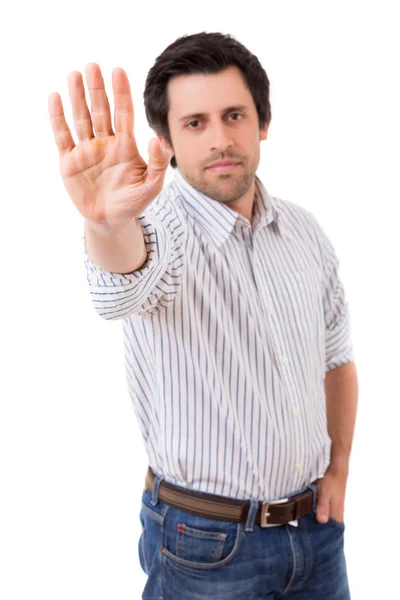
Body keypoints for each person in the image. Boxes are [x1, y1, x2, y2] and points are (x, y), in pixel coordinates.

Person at [48, 31, 358, 600]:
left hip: (316, 534)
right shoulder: (159, 228)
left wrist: (337, 471)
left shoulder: (305, 233)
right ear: (164, 139)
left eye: (233, 115)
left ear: (262, 123)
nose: (220, 139)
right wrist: (104, 224)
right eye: (195, 123)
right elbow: (121, 287)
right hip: (205, 546)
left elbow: (336, 359)